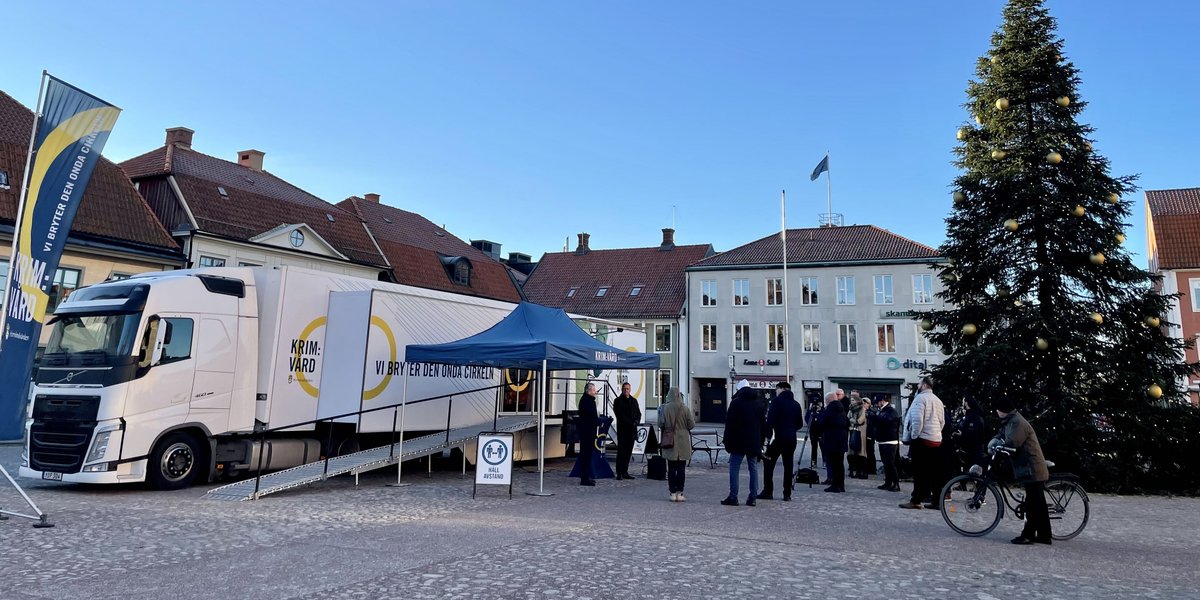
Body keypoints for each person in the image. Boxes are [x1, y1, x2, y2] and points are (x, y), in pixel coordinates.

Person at [991, 395, 1052, 545]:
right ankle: (1044, 536)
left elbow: (1013, 442)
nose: (996, 412)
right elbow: (1003, 434)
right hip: (1030, 467)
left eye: (997, 410)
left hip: (1032, 468)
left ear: (1003, 410)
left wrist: (1000, 446)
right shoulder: (1011, 420)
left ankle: (1028, 535)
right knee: (1038, 504)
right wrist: (996, 441)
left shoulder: (1017, 422)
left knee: (1032, 504)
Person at [899, 376, 946, 509]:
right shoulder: (937, 400)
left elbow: (917, 420)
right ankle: (936, 501)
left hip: (922, 439)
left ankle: (916, 500)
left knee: (920, 472)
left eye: (919, 384)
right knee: (935, 473)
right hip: (936, 439)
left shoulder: (920, 399)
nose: (918, 386)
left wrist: (914, 436)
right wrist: (937, 433)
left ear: (924, 385)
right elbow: (942, 421)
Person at [758, 381, 802, 501]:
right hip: (791, 439)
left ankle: (768, 491)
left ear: (782, 389)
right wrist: (791, 429)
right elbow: (800, 423)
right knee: (788, 466)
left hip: (778, 438)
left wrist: (767, 436)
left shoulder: (777, 401)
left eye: (776, 389)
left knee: (768, 463)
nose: (776, 391)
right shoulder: (796, 404)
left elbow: (770, 420)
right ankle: (787, 494)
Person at [721, 379, 762, 506]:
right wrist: (762, 441)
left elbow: (730, 424)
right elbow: (763, 424)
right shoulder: (759, 403)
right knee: (753, 468)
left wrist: (727, 441)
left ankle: (733, 496)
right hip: (754, 441)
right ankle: (753, 497)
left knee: (734, 468)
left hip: (738, 442)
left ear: (739, 390)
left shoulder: (736, 403)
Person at [658, 387, 694, 502]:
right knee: (682, 468)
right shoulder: (685, 408)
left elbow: (660, 424)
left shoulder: (665, 408)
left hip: (670, 440)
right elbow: (691, 424)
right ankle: (680, 492)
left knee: (671, 468)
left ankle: (672, 493)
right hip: (683, 441)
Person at [813, 391, 849, 492]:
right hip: (841, 440)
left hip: (832, 440)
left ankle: (835, 485)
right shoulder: (841, 409)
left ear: (827, 401)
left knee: (834, 464)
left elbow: (823, 423)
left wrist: (818, 419)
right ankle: (840, 485)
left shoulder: (830, 410)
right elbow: (847, 423)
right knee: (839, 464)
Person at [868, 394, 901, 491]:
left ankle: (895, 483)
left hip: (890, 440)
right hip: (882, 440)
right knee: (886, 463)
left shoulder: (891, 411)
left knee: (890, 463)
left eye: (878, 402)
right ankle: (888, 482)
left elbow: (886, 421)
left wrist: (873, 417)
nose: (877, 405)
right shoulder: (882, 411)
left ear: (882, 401)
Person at [613, 382, 642, 480]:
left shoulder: (634, 401)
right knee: (621, 452)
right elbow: (620, 416)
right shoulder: (618, 401)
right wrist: (631, 423)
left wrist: (636, 422)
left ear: (630, 389)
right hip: (623, 430)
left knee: (628, 453)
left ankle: (625, 471)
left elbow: (639, 413)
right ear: (622, 389)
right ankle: (619, 473)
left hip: (632, 431)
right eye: (625, 389)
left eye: (628, 389)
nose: (626, 390)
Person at [577, 382, 599, 486]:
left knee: (587, 455)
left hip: (587, 431)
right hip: (587, 432)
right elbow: (592, 417)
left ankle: (586, 476)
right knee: (586, 455)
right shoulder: (587, 401)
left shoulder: (586, 400)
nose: (595, 392)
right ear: (589, 390)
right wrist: (599, 422)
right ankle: (584, 478)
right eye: (594, 390)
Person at [847, 391, 870, 479]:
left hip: (860, 432)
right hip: (852, 431)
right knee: (852, 452)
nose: (851, 401)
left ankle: (863, 472)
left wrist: (852, 420)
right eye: (851, 400)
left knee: (861, 452)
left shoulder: (861, 409)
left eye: (853, 400)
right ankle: (854, 470)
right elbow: (847, 418)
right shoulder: (850, 409)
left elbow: (859, 421)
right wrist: (851, 420)